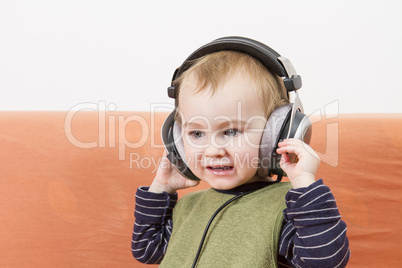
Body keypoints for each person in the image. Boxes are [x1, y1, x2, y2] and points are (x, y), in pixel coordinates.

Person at [131, 37, 350, 267]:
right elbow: (147, 249)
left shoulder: (288, 209)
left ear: (277, 133)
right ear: (175, 139)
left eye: (232, 131)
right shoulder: (188, 207)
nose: (213, 150)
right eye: (196, 134)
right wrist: (159, 189)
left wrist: (306, 186)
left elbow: (325, 262)